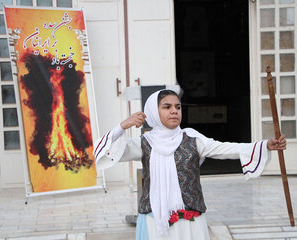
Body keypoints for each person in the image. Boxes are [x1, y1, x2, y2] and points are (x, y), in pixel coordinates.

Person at [93, 89, 286, 240]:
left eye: (177, 107)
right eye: (166, 107)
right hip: (155, 221)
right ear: (154, 110)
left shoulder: (193, 138)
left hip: (190, 222)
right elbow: (106, 153)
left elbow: (223, 148)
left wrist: (264, 145)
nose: (174, 111)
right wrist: (122, 127)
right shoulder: (144, 143)